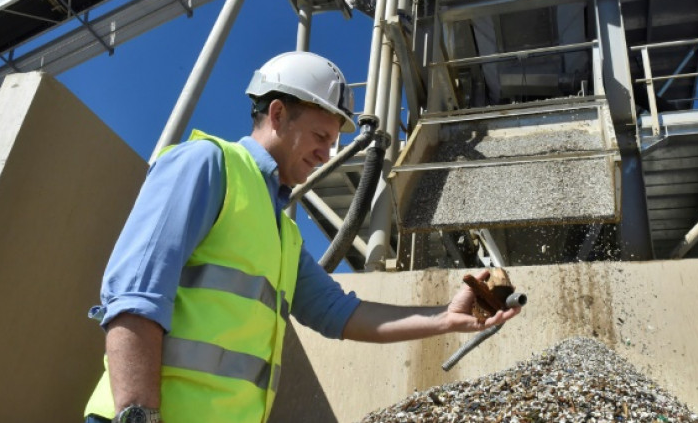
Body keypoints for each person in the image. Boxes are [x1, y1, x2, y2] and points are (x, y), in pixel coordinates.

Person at [83, 51, 521, 423]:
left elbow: (339, 314)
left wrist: (445, 317)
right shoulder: (207, 164)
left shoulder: (283, 233)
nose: (326, 154)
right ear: (277, 114)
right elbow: (135, 297)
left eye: (332, 141)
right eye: (319, 135)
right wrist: (138, 414)